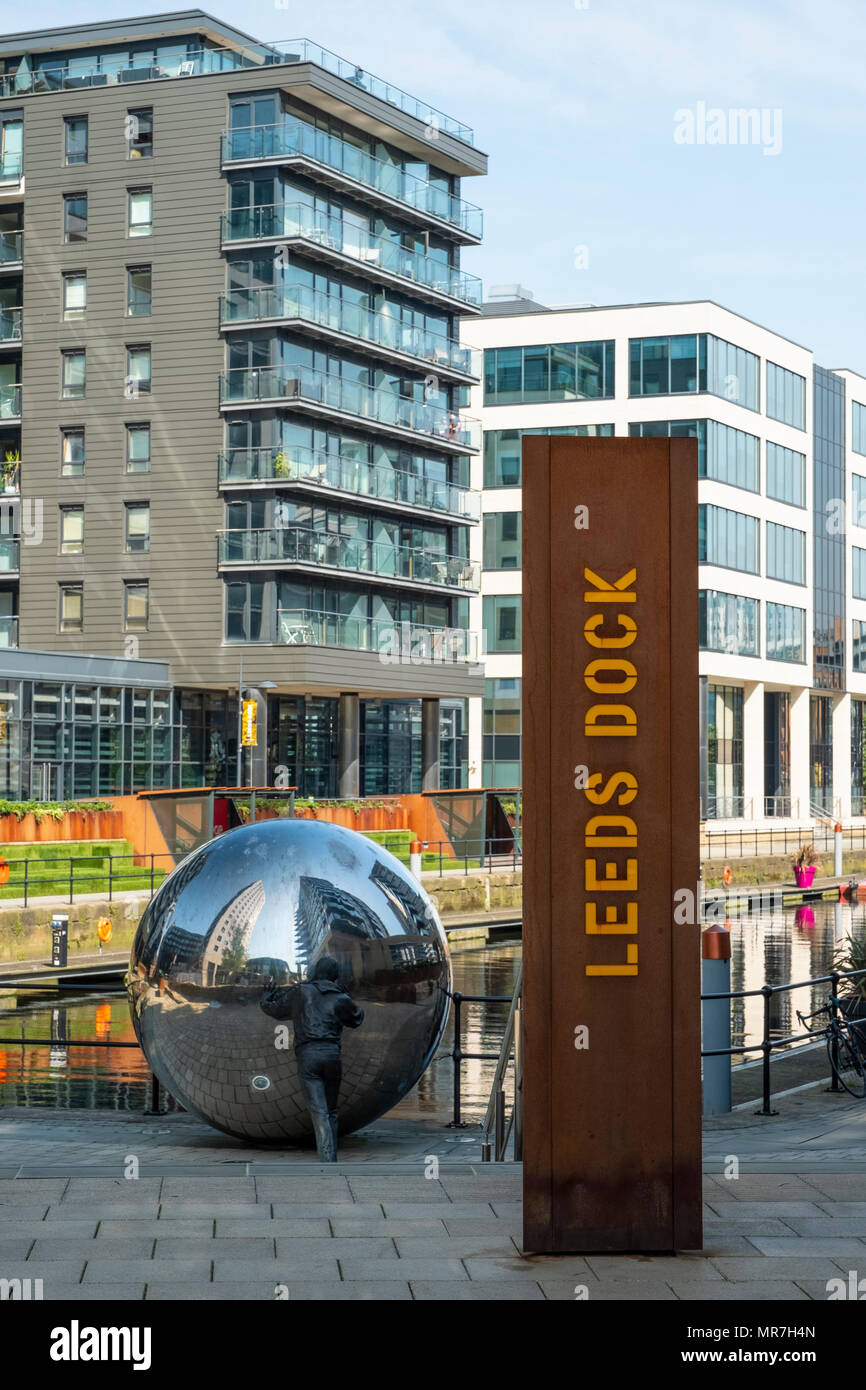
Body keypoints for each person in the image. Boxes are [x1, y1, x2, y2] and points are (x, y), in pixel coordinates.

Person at [260, 955, 364, 1161]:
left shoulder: (302, 992)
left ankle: (327, 1160)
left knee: (319, 1111)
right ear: (335, 976)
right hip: (332, 1055)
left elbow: (276, 1009)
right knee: (331, 1110)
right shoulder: (340, 998)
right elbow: (357, 1018)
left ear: (316, 972)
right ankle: (330, 1156)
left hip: (309, 1055)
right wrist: (347, 997)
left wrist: (265, 998)